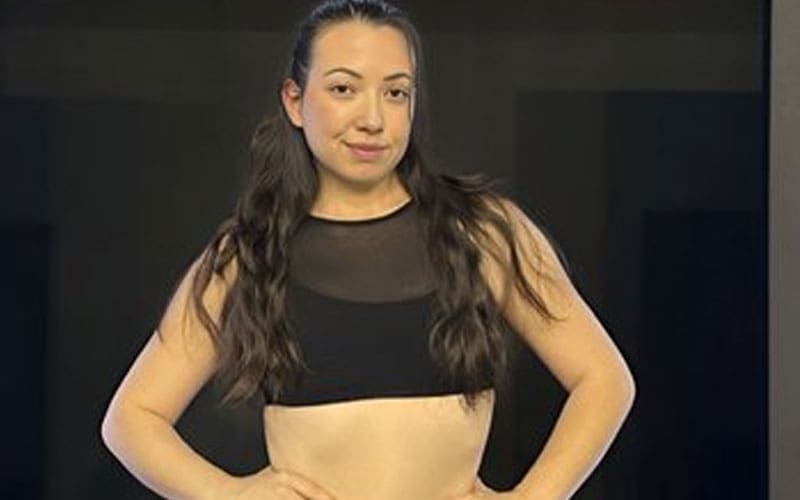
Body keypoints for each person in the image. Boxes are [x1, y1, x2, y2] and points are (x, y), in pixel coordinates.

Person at [100, 1, 636, 499]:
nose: (373, 119)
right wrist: (228, 495)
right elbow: (132, 418)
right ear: (294, 101)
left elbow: (604, 380)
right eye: (343, 89)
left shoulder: (484, 232)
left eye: (396, 92)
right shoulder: (251, 252)